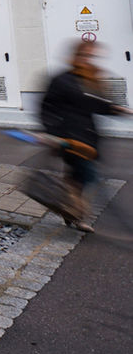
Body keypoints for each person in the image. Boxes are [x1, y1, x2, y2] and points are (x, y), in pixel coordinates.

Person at [40, 41, 131, 231]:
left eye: (91, 56)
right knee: (87, 175)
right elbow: (46, 108)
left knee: (77, 177)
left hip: (88, 138)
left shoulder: (89, 79)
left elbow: (95, 104)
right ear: (75, 56)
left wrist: (117, 109)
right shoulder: (61, 80)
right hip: (69, 139)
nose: (88, 60)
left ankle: (68, 210)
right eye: (84, 55)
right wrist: (52, 134)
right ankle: (78, 215)